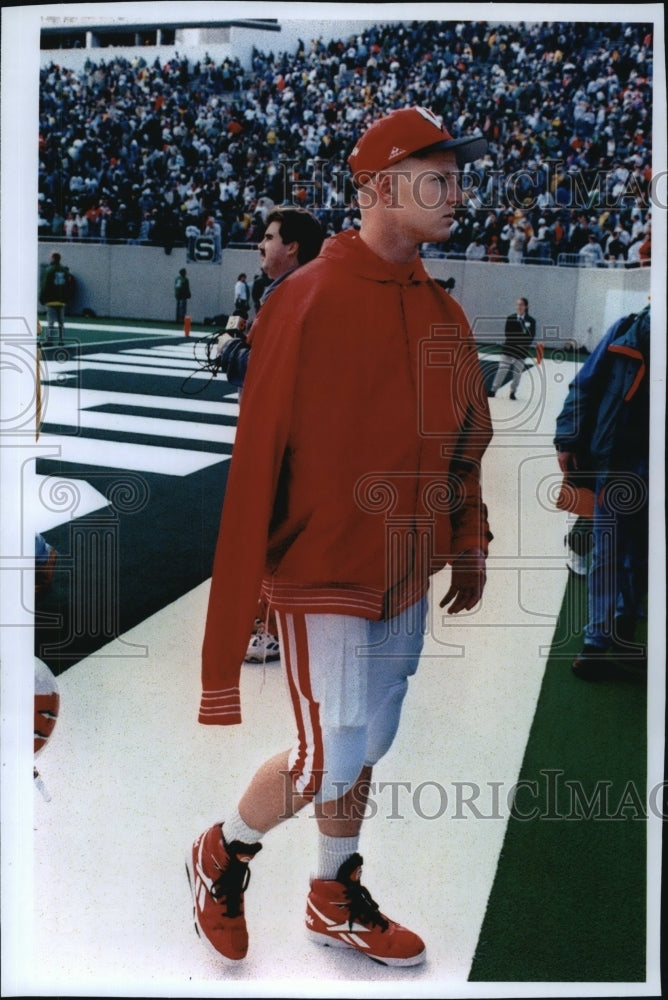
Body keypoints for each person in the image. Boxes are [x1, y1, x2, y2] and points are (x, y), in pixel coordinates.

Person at [188, 106, 493, 968]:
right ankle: (222, 852)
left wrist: (466, 538)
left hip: (400, 567)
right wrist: (243, 599)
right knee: (329, 754)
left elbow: (465, 439)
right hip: (320, 571)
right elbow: (255, 464)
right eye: (437, 176)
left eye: (457, 176)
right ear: (377, 189)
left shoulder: (445, 311)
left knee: (370, 742)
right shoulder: (304, 301)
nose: (456, 192)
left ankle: (332, 892)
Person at [216, 206, 326, 664]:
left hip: (282, 439)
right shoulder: (301, 291)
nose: (261, 245)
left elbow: (270, 369)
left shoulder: (291, 295)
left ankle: (266, 627)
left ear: (292, 246)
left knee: (268, 533)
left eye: (269, 236)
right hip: (295, 437)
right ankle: (274, 623)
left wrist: (230, 352)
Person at [554, 304, 650, 680]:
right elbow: (585, 385)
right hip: (617, 465)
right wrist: (568, 438)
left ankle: (626, 626)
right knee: (607, 553)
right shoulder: (626, 330)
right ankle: (597, 638)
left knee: (642, 557)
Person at [488, 297, 537, 399]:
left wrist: (521, 343)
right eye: (518, 305)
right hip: (508, 349)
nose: (519, 307)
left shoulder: (531, 321)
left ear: (526, 307)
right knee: (502, 369)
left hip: (521, 351)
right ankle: (493, 389)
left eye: (521, 305)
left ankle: (513, 392)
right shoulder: (510, 318)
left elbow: (530, 337)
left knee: (517, 374)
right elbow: (508, 334)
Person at [39, 251, 71, 345]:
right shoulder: (64, 270)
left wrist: (42, 297)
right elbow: (68, 285)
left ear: (53, 258)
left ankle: (49, 340)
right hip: (61, 300)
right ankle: (62, 340)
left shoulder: (49, 270)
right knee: (61, 322)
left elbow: (45, 285)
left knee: (51, 322)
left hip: (51, 300)